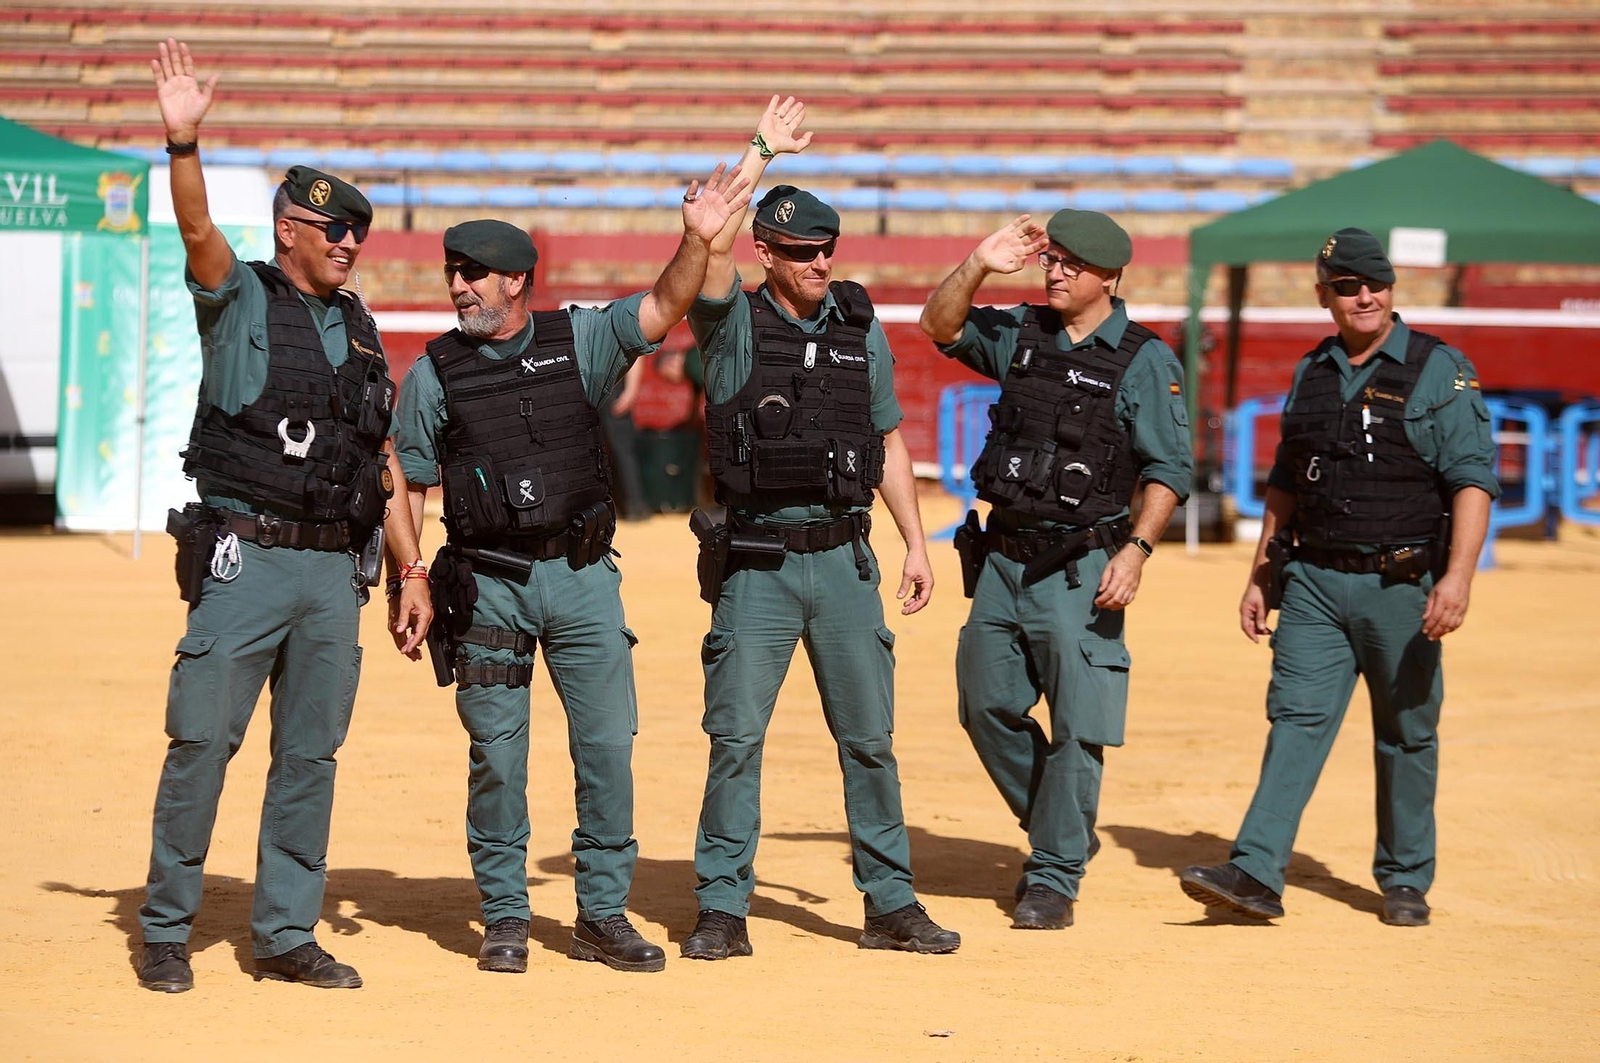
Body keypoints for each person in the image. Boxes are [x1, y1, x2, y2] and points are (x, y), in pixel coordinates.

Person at [390, 164, 749, 975]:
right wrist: (411, 573)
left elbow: (664, 305)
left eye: (472, 273)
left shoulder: (578, 339)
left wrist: (697, 240)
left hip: (584, 578)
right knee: (498, 757)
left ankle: (600, 913)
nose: (457, 286)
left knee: (606, 747)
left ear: (517, 279)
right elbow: (405, 481)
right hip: (485, 584)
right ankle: (506, 917)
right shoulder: (433, 372)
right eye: (452, 272)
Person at [137, 39, 431, 993]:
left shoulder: (361, 326)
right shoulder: (240, 302)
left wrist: (411, 567)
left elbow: (380, 456)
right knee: (202, 746)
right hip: (245, 558)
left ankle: (285, 933)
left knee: (310, 755)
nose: (349, 243)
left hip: (329, 573)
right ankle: (167, 929)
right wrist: (185, 145)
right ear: (288, 229)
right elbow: (196, 238)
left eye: (358, 232)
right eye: (331, 228)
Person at [679, 97, 960, 960]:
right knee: (736, 740)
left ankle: (890, 901)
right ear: (767, 254)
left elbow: (883, 438)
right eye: (800, 251)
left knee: (870, 740)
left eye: (827, 249)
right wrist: (758, 151)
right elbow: (712, 247)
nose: (818, 262)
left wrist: (915, 539)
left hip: (844, 558)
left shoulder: (858, 326)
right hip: (759, 560)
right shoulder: (730, 324)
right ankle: (723, 907)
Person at [1178, 228, 1497, 926]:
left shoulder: (1439, 366)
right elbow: (1289, 479)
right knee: (1293, 721)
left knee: (1407, 730)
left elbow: (1472, 479)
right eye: (1348, 286)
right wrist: (1262, 570)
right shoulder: (1313, 369)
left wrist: (1460, 577)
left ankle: (1405, 878)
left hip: (1402, 583)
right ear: (1324, 295)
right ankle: (1257, 869)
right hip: (1316, 580)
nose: (1365, 295)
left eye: (1375, 282)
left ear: (1391, 287)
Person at [919, 210, 1193, 930]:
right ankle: (1063, 827)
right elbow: (938, 324)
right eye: (1053, 260)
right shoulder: (1022, 335)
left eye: (1073, 263)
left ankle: (1054, 872)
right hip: (1004, 558)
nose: (1057, 271)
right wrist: (980, 261)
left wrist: (1136, 550)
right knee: (984, 705)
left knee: (1079, 723)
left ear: (1110, 277)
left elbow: (1170, 469)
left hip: (1083, 563)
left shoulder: (1144, 360)